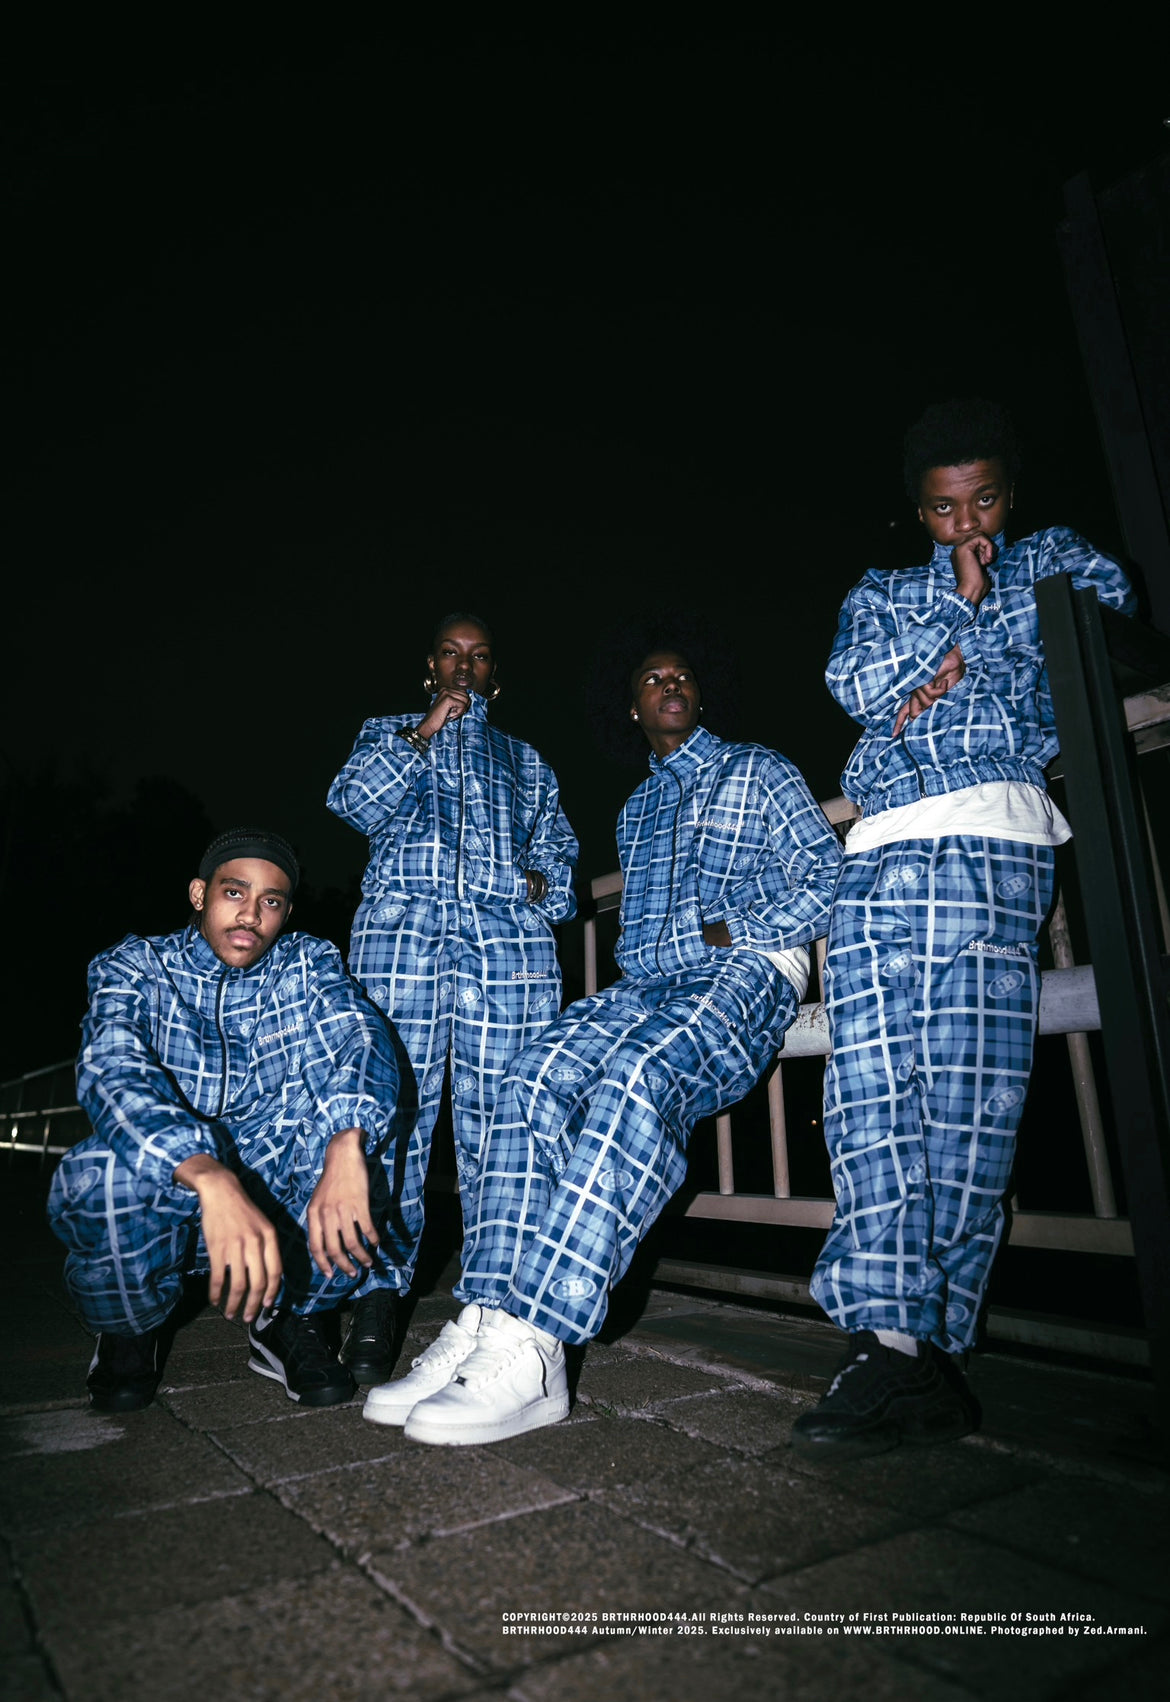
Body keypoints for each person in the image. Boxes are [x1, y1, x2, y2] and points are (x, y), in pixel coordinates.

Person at [363, 645, 843, 1443]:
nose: (670, 685)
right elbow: (634, 939)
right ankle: (487, 1315)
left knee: (635, 1075)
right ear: (633, 709)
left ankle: (538, 1340)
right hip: (648, 985)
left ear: (700, 694)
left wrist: (723, 931)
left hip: (746, 969)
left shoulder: (757, 768)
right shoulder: (637, 811)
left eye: (682, 675)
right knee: (529, 1074)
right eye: (652, 679)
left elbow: (825, 877)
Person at [792, 397, 1136, 1459]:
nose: (966, 523)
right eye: (945, 509)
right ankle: (886, 1341)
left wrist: (964, 649)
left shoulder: (1053, 559)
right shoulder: (885, 589)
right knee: (867, 1095)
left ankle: (931, 1350)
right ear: (920, 511)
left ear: (1010, 494)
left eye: (983, 501)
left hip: (991, 837)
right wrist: (957, 612)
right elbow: (856, 684)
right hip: (878, 850)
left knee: (968, 1096)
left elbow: (1104, 629)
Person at [47, 829, 405, 1413]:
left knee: (359, 1159)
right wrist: (207, 1174)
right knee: (104, 1172)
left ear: (286, 912)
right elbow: (113, 1068)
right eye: (234, 892)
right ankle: (134, 1327)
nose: (251, 914)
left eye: (271, 901)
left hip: (271, 1180)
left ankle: (288, 1317)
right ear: (199, 893)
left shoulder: (306, 963)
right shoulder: (137, 965)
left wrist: (346, 1140)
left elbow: (357, 1038)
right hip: (177, 1183)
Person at [326, 613, 578, 1378]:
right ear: (430, 668)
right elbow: (352, 803)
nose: (465, 665)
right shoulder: (389, 733)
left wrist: (531, 886)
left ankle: (498, 1305)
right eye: (450, 653)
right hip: (401, 944)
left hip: (506, 952)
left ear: (496, 675)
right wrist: (426, 729)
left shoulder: (525, 761)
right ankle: (374, 1301)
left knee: (505, 1124)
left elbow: (563, 869)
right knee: (390, 1116)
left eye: (480, 656)